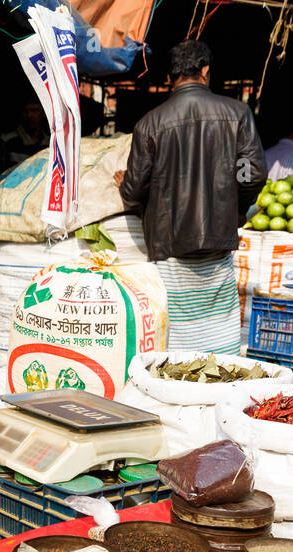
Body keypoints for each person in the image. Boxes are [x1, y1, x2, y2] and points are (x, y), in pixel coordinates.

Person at [116, 39, 266, 355]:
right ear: (206, 71)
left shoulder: (150, 123)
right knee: (219, 344)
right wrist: (232, 209)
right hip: (218, 242)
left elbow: (133, 194)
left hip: (169, 246)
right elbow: (249, 172)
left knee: (174, 343)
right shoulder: (237, 113)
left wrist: (126, 183)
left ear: (171, 76)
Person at [0, 97, 47, 168]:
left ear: (43, 113)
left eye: (34, 110)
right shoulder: (7, 141)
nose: (29, 115)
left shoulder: (49, 142)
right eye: (25, 111)